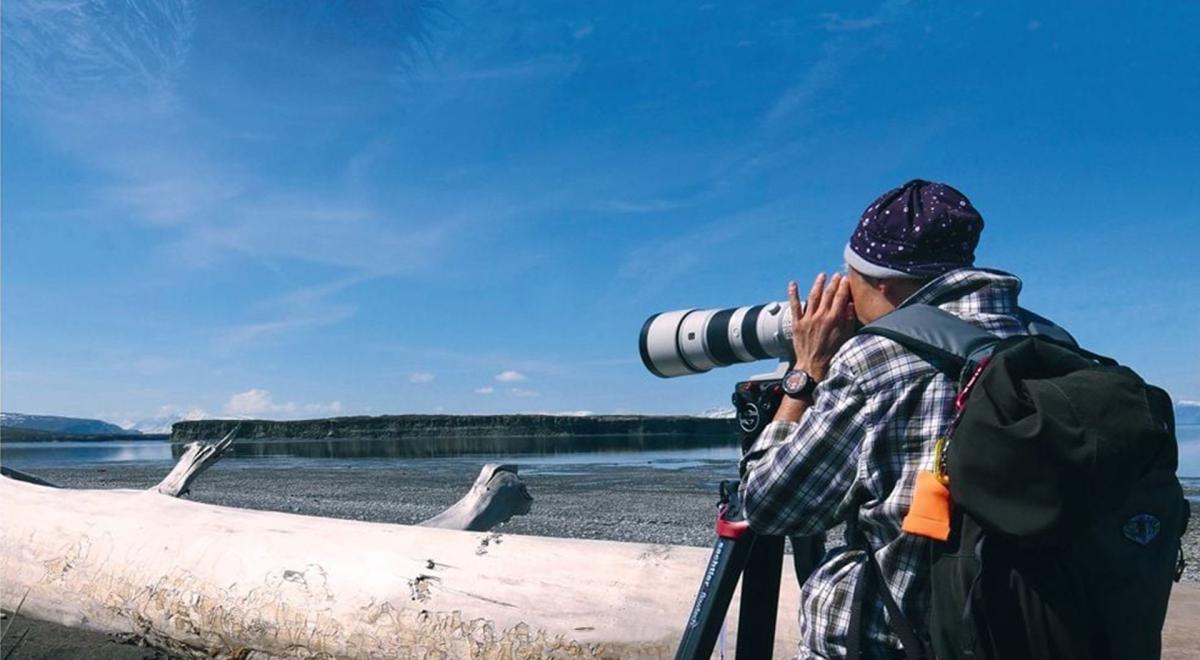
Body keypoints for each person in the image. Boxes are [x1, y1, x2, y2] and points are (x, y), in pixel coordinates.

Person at [740, 179, 1029, 659]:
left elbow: (770, 506)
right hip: (1016, 640)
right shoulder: (1042, 345)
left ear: (884, 284)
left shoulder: (876, 363)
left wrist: (805, 375)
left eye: (847, 280)